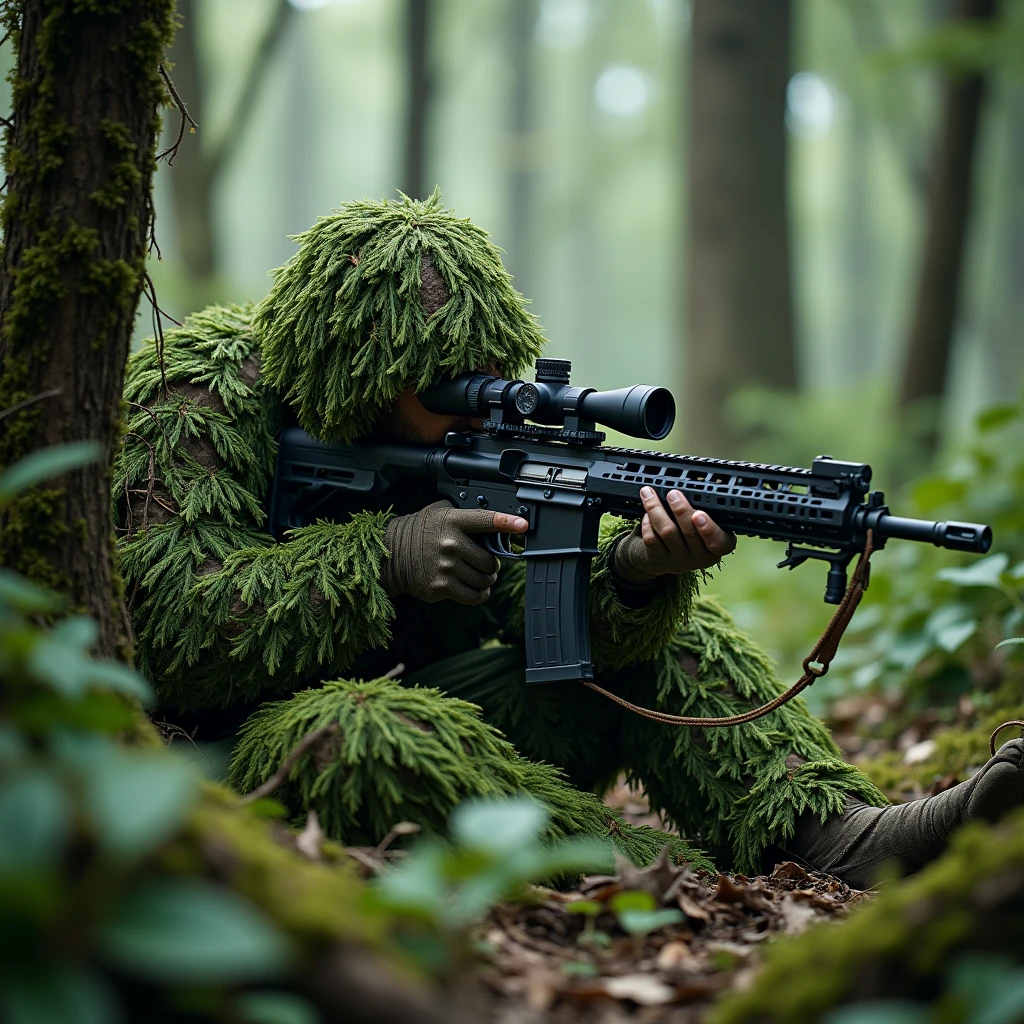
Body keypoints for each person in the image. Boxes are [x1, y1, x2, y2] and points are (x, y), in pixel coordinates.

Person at [116, 192, 1023, 887]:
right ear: (361, 365)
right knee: (360, 730)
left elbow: (534, 609)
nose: (473, 410)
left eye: (489, 380)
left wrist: (631, 572)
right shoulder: (199, 395)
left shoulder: (466, 438)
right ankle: (644, 872)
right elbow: (163, 632)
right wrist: (385, 557)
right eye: (443, 391)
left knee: (688, 636)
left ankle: (838, 839)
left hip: (464, 711)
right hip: (234, 754)